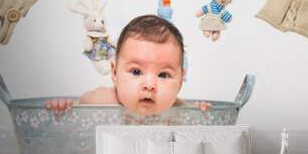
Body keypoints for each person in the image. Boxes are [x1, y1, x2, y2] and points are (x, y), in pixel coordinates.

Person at [46, 15, 210, 116]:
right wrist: (63, 107)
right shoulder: (99, 100)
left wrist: (197, 111)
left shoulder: (177, 108)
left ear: (181, 80)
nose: (149, 85)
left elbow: (191, 116)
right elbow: (76, 116)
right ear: (115, 73)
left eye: (163, 75)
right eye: (136, 71)